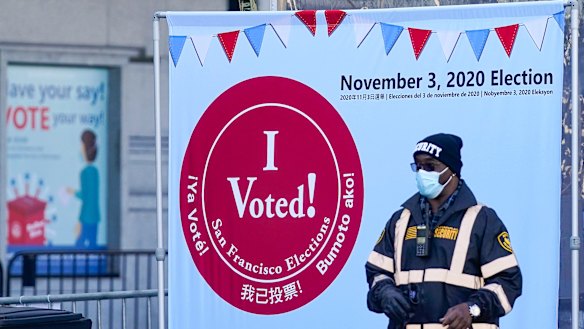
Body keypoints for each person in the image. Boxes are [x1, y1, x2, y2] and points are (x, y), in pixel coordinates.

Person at [365, 133, 522, 329]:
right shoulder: (400, 220)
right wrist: (385, 292)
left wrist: (472, 308)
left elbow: (508, 282)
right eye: (418, 166)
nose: (422, 173)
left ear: (452, 170)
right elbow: (376, 274)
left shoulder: (483, 220)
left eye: (430, 166)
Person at [67, 129, 100, 248]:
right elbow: (93, 196)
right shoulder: (95, 171)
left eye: (82, 146)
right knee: (92, 244)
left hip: (87, 217)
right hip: (96, 216)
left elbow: (85, 197)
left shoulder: (85, 172)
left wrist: (72, 192)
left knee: (79, 245)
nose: (80, 149)